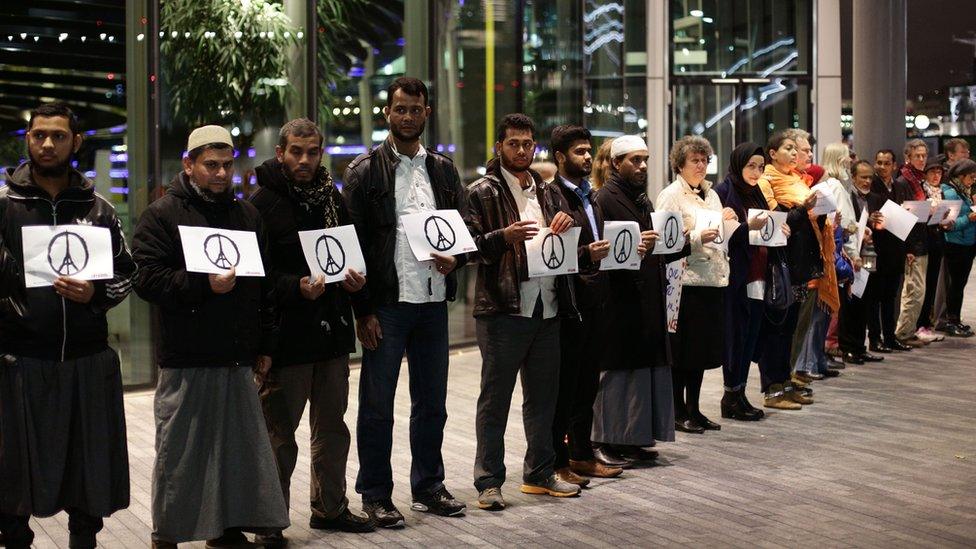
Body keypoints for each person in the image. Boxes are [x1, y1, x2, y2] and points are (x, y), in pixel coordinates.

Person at [132, 125, 289, 547]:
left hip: (237, 356)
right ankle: (169, 534)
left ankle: (228, 527)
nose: (221, 174)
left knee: (237, 453)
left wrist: (265, 347)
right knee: (181, 454)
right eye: (211, 165)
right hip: (187, 357)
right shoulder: (162, 214)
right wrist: (204, 286)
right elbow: (145, 279)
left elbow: (264, 288)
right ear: (189, 165)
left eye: (226, 165)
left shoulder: (247, 216)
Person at [0, 102, 135, 549]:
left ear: (76, 142)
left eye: (58, 135)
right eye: (39, 135)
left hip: (85, 361)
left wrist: (95, 294)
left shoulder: (98, 210)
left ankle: (84, 541)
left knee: (87, 470)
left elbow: (127, 273)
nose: (47, 143)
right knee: (13, 475)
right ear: (28, 140)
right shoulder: (4, 206)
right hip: (20, 362)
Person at [342, 77, 468, 526]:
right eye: (400, 109)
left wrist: (458, 258)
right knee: (377, 406)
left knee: (432, 403)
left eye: (416, 109)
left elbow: (464, 230)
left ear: (427, 113)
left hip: (433, 302)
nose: (408, 116)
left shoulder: (444, 170)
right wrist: (363, 311)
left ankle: (428, 486)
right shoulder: (363, 172)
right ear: (387, 114)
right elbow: (351, 250)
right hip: (387, 307)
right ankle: (375, 494)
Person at [249, 118, 374, 542]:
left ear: (321, 153)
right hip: (287, 341)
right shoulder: (261, 204)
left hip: (333, 337)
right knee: (278, 438)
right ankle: (270, 522)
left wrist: (359, 292)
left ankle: (330, 508)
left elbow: (348, 258)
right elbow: (254, 277)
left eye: (312, 152)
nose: (304, 160)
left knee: (333, 430)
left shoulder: (332, 199)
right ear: (281, 152)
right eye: (296, 152)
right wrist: (293, 287)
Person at [465, 113, 581, 511]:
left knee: (543, 397)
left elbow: (563, 243)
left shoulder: (547, 191)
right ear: (499, 147)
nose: (520, 150)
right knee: (495, 399)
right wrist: (503, 237)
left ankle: (539, 473)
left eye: (527, 144)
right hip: (502, 308)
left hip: (547, 307)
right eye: (513, 143)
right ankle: (489, 481)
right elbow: (466, 248)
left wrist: (573, 230)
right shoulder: (481, 190)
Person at [590, 135, 684, 463]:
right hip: (618, 298)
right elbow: (602, 251)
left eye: (645, 159)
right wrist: (635, 247)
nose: (642, 166)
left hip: (645, 295)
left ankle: (631, 437)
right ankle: (605, 440)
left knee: (640, 370)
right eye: (634, 160)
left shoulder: (641, 199)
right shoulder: (605, 198)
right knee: (618, 372)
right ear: (616, 163)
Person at [546, 125, 624, 480]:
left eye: (589, 150)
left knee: (588, 384)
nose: (588, 157)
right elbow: (551, 250)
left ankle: (581, 454)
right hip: (570, 301)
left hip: (596, 298)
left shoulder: (589, 194)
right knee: (566, 387)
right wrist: (585, 253)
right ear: (560, 157)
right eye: (579, 151)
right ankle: (559, 462)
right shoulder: (551, 196)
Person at [656, 136, 731, 432]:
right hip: (684, 281)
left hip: (712, 278)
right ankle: (677, 410)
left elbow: (720, 231)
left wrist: (729, 222)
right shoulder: (670, 195)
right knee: (683, 351)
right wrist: (698, 237)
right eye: (695, 161)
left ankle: (695, 409)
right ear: (680, 164)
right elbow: (665, 240)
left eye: (705, 161)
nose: (701, 166)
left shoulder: (711, 194)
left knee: (701, 351)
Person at [714, 143, 786, 419]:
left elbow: (766, 231)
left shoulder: (756, 194)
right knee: (736, 336)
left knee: (751, 337)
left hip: (758, 274)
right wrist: (746, 227)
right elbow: (724, 235)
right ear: (738, 164)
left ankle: (740, 393)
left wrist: (780, 228)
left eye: (760, 167)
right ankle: (730, 395)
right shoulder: (723, 192)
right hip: (735, 276)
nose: (756, 172)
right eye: (750, 166)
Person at [756, 132, 820, 408]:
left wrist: (820, 212)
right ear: (772, 153)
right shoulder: (767, 181)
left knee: (790, 328)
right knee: (776, 328)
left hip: (800, 263)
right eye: (788, 149)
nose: (795, 154)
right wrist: (804, 209)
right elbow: (778, 223)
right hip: (780, 263)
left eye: (796, 150)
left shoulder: (796, 179)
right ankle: (773, 389)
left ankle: (785, 382)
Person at [838, 161, 887, 365]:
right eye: (863, 177)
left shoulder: (876, 198)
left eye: (870, 178)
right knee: (850, 303)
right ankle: (847, 347)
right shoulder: (847, 196)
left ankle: (860, 346)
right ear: (853, 176)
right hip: (850, 256)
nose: (867, 181)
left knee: (865, 301)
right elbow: (844, 224)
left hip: (870, 256)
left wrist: (876, 223)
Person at [867, 149, 913, 352]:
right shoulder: (872, 186)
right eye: (879, 162)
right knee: (874, 296)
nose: (882, 167)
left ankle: (890, 336)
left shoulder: (899, 186)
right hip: (877, 248)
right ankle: (875, 339)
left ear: (894, 165)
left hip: (896, 248)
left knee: (890, 296)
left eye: (886, 163)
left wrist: (909, 249)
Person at [894, 139, 935, 348]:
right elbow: (902, 216)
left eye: (923, 156)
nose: (921, 159)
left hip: (922, 241)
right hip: (913, 245)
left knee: (918, 291)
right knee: (913, 291)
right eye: (917, 156)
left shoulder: (919, 180)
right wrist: (907, 248)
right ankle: (903, 333)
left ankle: (907, 331)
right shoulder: (903, 181)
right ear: (907, 158)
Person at [940, 159, 976, 337]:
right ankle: (951, 321)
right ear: (960, 177)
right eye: (970, 177)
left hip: (967, 244)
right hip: (956, 245)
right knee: (955, 285)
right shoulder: (951, 193)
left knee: (959, 285)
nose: (973, 180)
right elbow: (948, 224)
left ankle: (956, 319)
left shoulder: (964, 191)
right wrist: (969, 218)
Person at [916, 158, 950, 341]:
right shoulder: (921, 190)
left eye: (939, 172)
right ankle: (919, 324)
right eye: (932, 172)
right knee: (922, 284)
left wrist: (946, 220)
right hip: (924, 241)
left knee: (932, 285)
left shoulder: (941, 192)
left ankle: (927, 323)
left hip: (938, 240)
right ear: (926, 174)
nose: (936, 176)